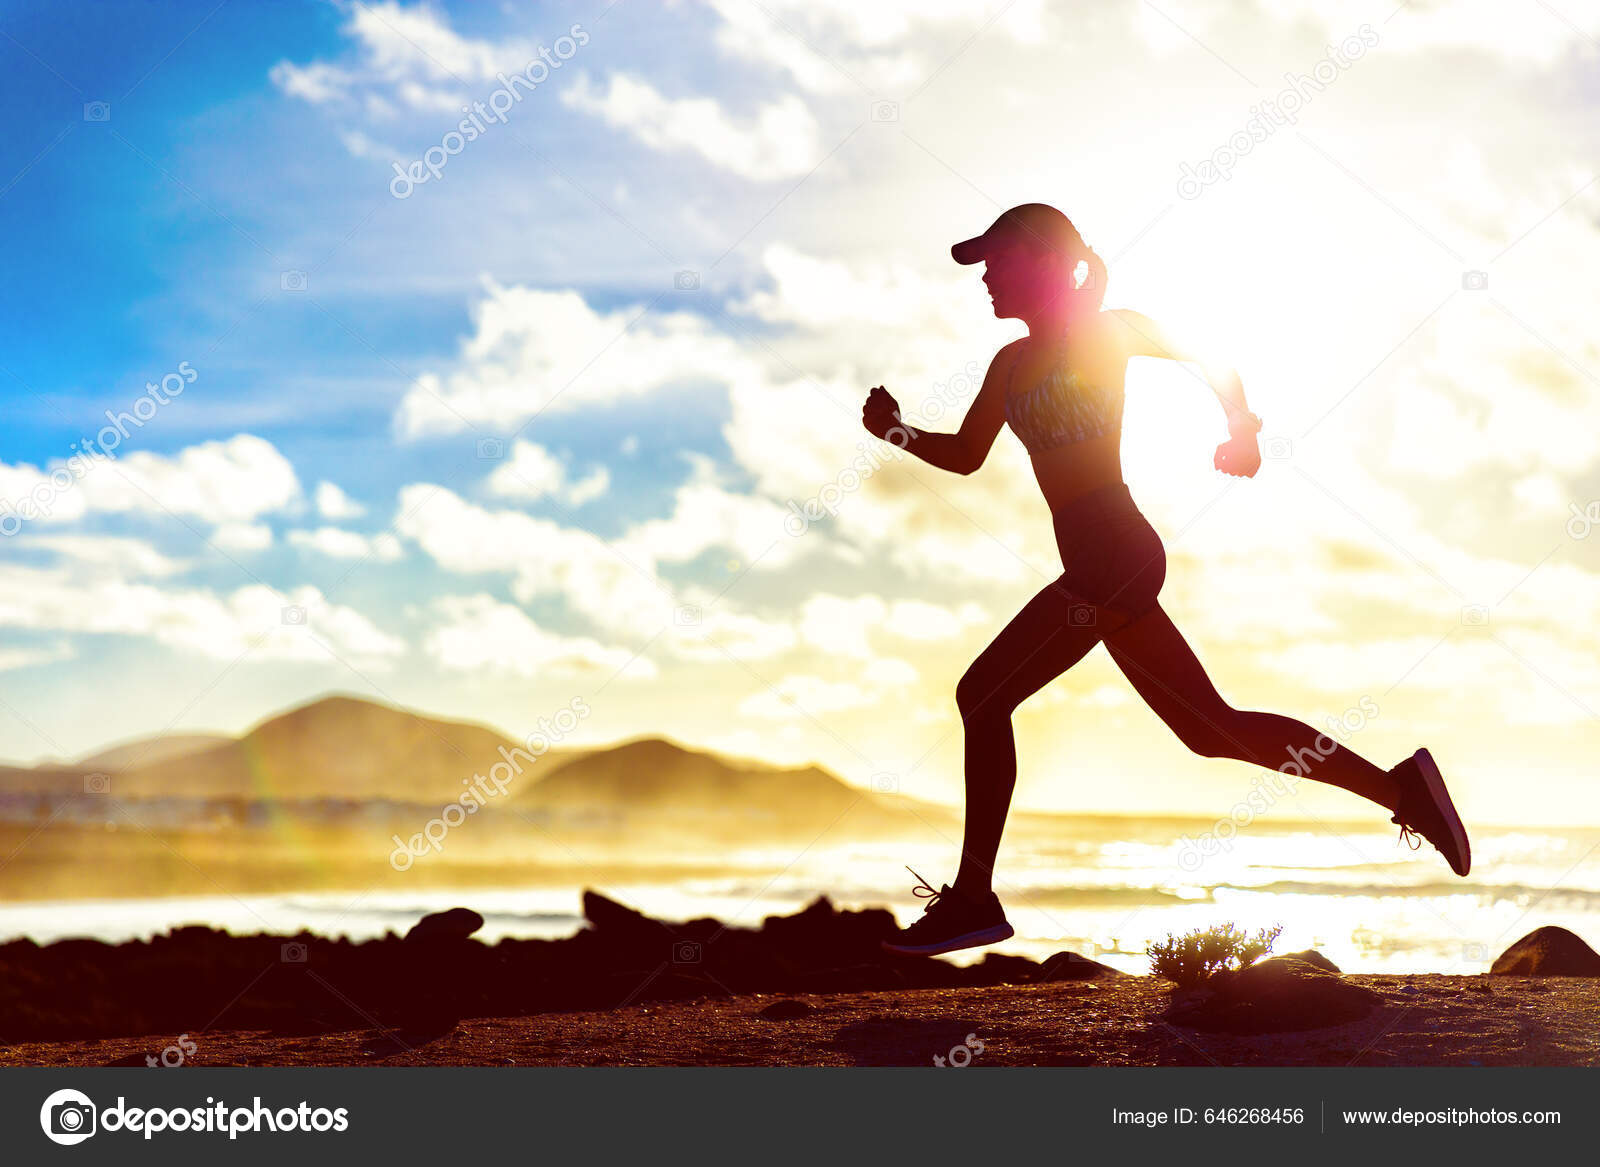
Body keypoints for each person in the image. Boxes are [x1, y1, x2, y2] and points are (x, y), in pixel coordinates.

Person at [865, 204, 1470, 957]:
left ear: (1045, 260)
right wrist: (894, 430)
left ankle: (975, 897)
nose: (986, 277)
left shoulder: (1108, 331)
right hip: (1098, 566)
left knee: (983, 695)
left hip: (1115, 555)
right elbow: (965, 454)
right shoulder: (1009, 366)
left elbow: (1211, 357)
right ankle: (1401, 788)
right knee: (1212, 729)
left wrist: (1240, 428)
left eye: (999, 260)